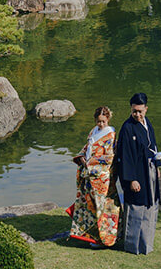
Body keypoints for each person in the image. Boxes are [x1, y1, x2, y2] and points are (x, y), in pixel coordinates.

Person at [113, 92, 161, 254]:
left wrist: (158, 166)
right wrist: (131, 179)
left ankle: (146, 244)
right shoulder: (127, 128)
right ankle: (133, 245)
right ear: (131, 109)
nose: (137, 114)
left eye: (140, 111)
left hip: (149, 170)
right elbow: (124, 156)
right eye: (134, 111)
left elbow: (153, 146)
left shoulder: (147, 123)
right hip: (135, 172)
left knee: (150, 204)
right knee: (136, 206)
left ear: (146, 109)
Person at [67, 106, 120, 247]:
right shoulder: (93, 131)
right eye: (98, 121)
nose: (100, 124)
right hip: (89, 174)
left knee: (103, 208)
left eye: (103, 121)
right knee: (90, 206)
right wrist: (82, 157)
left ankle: (106, 239)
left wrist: (90, 163)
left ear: (108, 119)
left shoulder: (111, 135)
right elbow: (87, 147)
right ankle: (92, 236)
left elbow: (109, 158)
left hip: (102, 177)